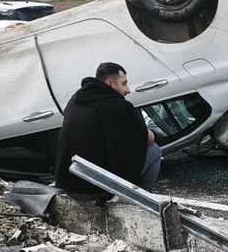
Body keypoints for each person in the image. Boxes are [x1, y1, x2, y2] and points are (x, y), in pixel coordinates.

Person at [54, 62, 161, 197]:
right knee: (154, 150)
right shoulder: (116, 105)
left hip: (68, 180)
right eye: (124, 84)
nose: (128, 89)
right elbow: (148, 139)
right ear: (109, 83)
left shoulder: (75, 100)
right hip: (95, 187)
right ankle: (142, 200)